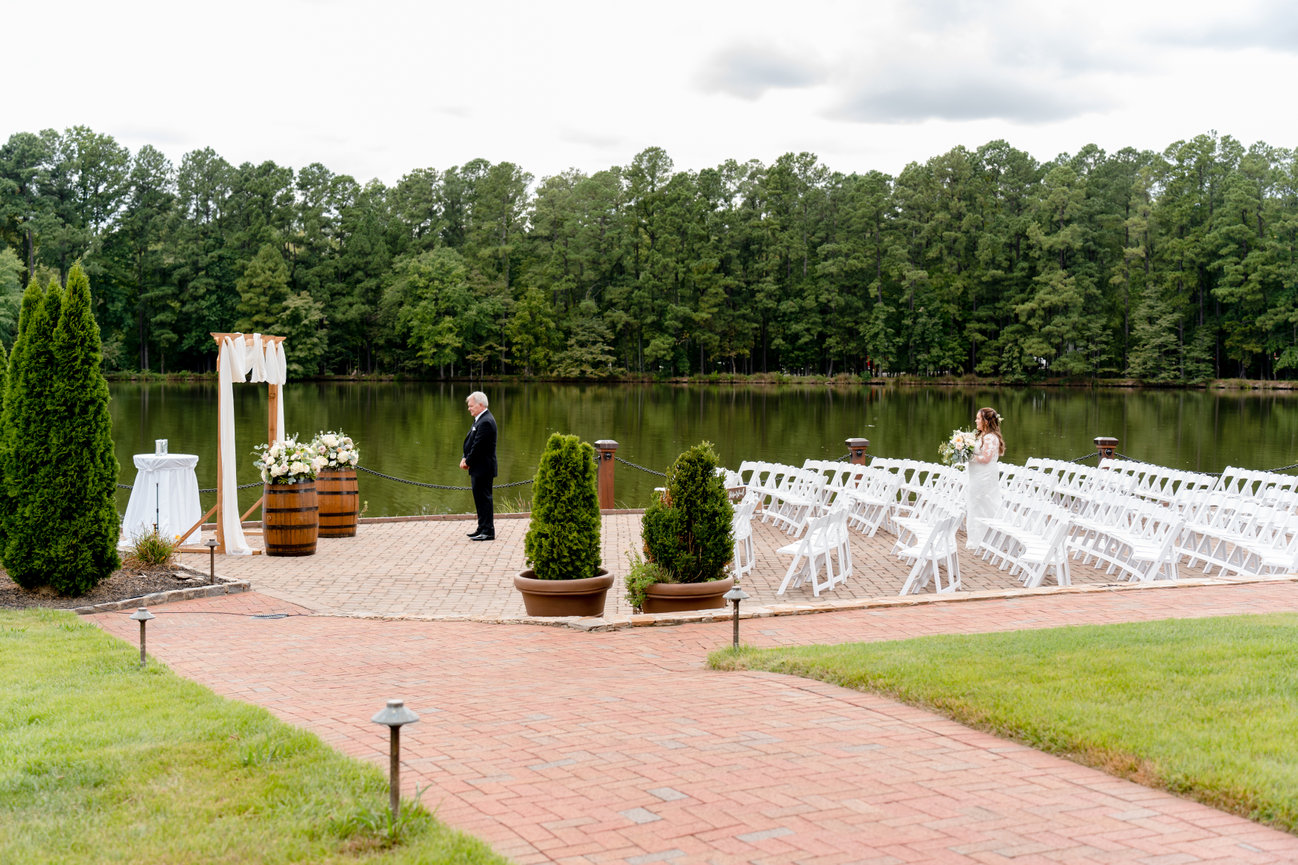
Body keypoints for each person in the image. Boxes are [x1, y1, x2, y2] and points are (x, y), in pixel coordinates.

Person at [965, 406, 1004, 550]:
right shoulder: (981, 436)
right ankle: (977, 538)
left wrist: (969, 456)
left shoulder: (990, 438)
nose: (976, 421)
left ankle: (994, 538)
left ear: (986, 421)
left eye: (978, 418)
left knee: (986, 503)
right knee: (975, 504)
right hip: (976, 475)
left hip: (985, 476)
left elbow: (986, 458)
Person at [460, 391, 497, 541]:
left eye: (471, 406)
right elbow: (470, 442)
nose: (469, 408)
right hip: (477, 468)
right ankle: (482, 528)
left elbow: (478, 446)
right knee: (479, 499)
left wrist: (467, 462)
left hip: (484, 468)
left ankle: (488, 531)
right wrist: (464, 457)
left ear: (480, 405)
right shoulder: (479, 419)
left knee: (484, 499)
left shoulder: (486, 421)